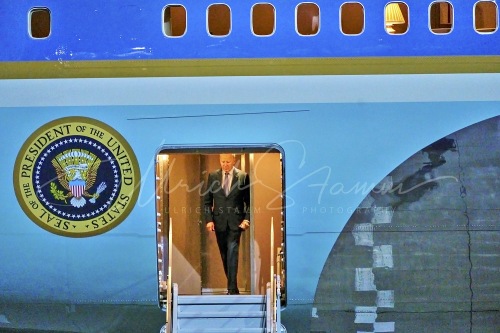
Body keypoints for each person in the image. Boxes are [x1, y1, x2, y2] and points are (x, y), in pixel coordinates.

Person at [203, 153, 251, 295]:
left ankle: (230, 289)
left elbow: (249, 202)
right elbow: (207, 202)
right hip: (219, 222)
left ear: (233, 161)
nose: (225, 164)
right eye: (223, 162)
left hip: (236, 222)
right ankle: (233, 287)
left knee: (232, 252)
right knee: (224, 254)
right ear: (219, 161)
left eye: (228, 162)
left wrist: (246, 219)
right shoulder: (213, 176)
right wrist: (209, 220)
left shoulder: (242, 176)